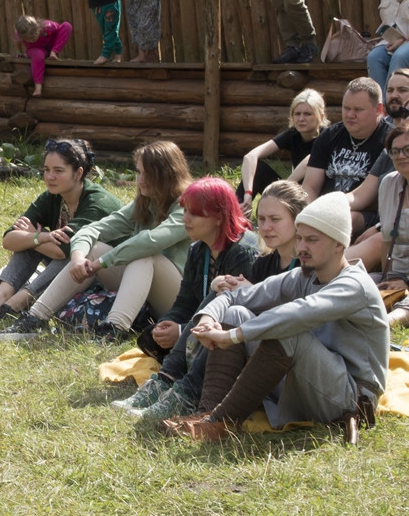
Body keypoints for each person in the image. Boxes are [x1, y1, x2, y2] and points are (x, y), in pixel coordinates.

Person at [170, 192, 388, 443]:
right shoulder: (304, 276)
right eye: (300, 238)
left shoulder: (355, 285)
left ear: (339, 244)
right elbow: (237, 297)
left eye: (312, 240)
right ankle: (208, 415)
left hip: (352, 399)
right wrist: (208, 318)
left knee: (289, 331)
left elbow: (300, 313)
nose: (302, 248)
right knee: (236, 313)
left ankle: (222, 422)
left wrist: (232, 336)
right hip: (309, 384)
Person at [0, 141, 192, 341]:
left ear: (165, 174)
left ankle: (113, 330)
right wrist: (78, 257)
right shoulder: (146, 201)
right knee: (94, 247)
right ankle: (35, 318)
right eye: (138, 172)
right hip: (142, 291)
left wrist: (102, 262)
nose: (139, 180)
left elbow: (150, 241)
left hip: (178, 299)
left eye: (146, 174)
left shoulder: (187, 204)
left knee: (144, 255)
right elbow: (93, 229)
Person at [110, 179, 260, 422]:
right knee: (150, 335)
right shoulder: (198, 249)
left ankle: (179, 390)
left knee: (219, 295)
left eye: (194, 213)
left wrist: (182, 331)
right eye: (185, 210)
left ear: (219, 218)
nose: (185, 218)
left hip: (232, 337)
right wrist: (169, 323)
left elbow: (234, 309)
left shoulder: (243, 251)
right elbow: (184, 301)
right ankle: (165, 381)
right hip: (201, 325)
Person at [0, 138, 122, 320]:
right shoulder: (53, 196)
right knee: (29, 242)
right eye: (46, 170)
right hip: (77, 273)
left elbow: (62, 252)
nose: (49, 176)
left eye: (58, 171)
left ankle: (21, 301)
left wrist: (34, 235)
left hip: (112, 275)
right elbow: (8, 240)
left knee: (71, 251)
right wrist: (39, 237)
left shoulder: (97, 203)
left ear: (78, 173)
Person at [302, 77, 390, 236]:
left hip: (361, 212)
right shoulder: (330, 135)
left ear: (379, 109)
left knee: (347, 219)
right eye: (346, 108)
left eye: (358, 110)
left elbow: (364, 198)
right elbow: (310, 186)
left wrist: (325, 209)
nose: (350, 115)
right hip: (322, 207)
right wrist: (312, 211)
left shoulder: (389, 140)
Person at [347, 69, 409, 269]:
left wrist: (379, 227)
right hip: (390, 235)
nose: (400, 156)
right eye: (390, 89)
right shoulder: (391, 151)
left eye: (402, 90)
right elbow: (361, 195)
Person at [236, 88, 328, 214]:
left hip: (315, 196)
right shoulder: (292, 134)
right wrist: (248, 193)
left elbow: (310, 160)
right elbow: (250, 157)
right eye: (297, 114)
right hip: (291, 190)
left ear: (320, 116)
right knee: (259, 168)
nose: (301, 119)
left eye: (308, 114)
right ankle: (236, 214)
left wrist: (283, 187)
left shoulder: (328, 136)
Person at [371, 125, 409, 326]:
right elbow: (386, 239)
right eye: (395, 152)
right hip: (396, 274)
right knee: (358, 281)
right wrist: (386, 279)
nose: (400, 156)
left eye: (407, 150)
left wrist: (407, 283)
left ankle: (385, 323)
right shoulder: (388, 184)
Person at [366, 0, 409, 98]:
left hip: (407, 42)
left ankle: (393, 105)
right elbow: (387, 21)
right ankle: (380, 107)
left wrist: (402, 41)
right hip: (391, 41)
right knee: (374, 57)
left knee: (400, 56)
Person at [13, 15, 72, 96]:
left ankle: (54, 53)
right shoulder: (19, 34)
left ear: (38, 27)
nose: (33, 40)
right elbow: (17, 42)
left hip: (50, 46)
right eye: (29, 39)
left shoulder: (48, 26)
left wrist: (54, 47)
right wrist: (19, 53)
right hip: (35, 49)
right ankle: (38, 86)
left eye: (34, 36)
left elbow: (60, 31)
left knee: (67, 26)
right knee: (38, 55)